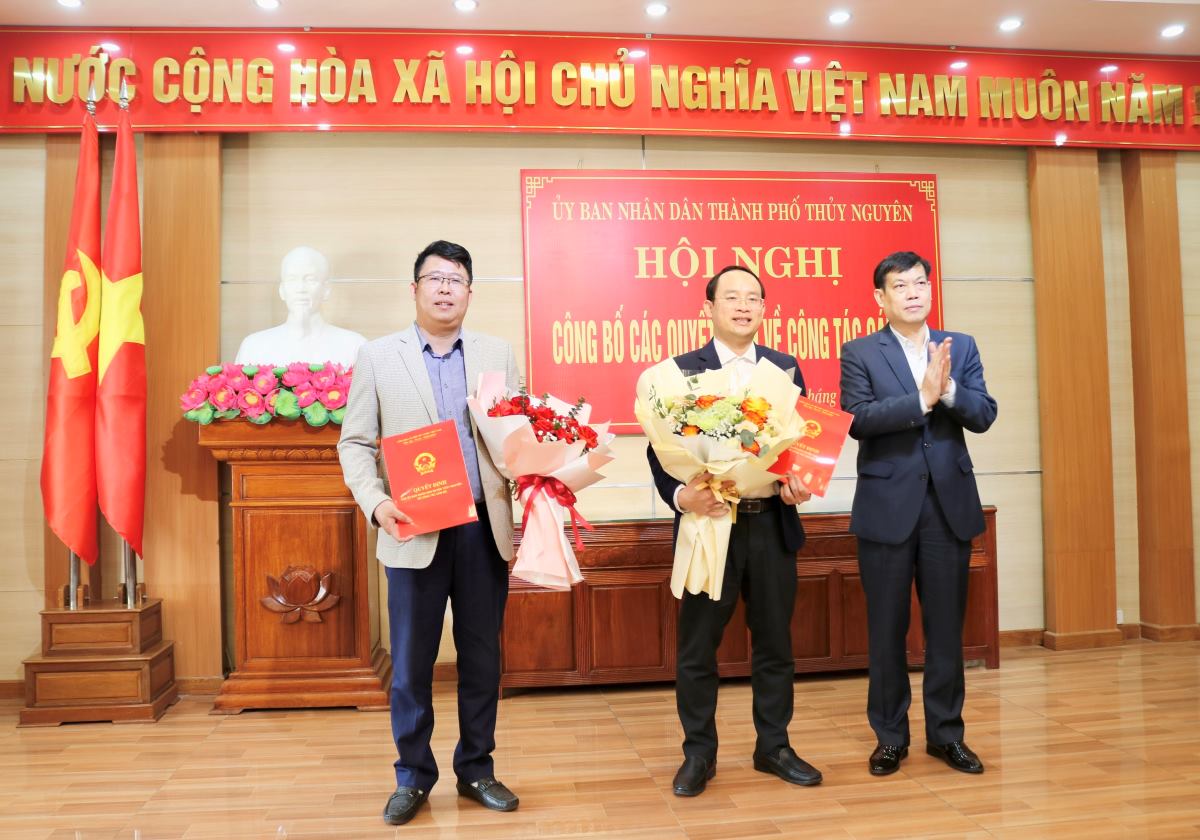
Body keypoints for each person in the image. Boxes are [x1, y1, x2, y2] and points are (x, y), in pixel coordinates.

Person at [337, 240, 521, 826]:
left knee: (482, 659)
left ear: (470, 292)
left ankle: (477, 769)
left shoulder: (498, 354)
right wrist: (377, 503)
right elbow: (355, 444)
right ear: (413, 289)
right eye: (434, 278)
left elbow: (518, 435)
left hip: (482, 527)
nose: (446, 288)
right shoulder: (378, 356)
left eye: (457, 279)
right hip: (412, 526)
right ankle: (413, 777)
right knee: (413, 663)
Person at [647, 265, 821, 797]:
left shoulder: (785, 369)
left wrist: (799, 483)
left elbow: (801, 446)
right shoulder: (677, 374)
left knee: (775, 645)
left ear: (765, 309)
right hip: (708, 525)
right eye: (731, 297)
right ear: (709, 309)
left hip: (770, 524)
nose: (743, 306)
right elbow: (660, 452)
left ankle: (774, 747)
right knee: (698, 649)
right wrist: (681, 496)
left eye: (754, 298)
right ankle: (699, 753)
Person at [839, 251, 997, 777]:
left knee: (947, 630)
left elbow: (983, 414)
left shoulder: (961, 346)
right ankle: (890, 737)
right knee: (886, 629)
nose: (913, 292)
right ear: (880, 298)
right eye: (900, 285)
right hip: (887, 508)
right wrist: (922, 398)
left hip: (947, 508)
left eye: (920, 283)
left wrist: (948, 388)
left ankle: (946, 735)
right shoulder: (860, 351)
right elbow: (859, 420)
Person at [235, 245, 366, 367]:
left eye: (310, 279)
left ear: (326, 290)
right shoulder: (254, 347)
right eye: (292, 279)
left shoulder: (354, 346)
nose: (300, 288)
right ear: (282, 290)